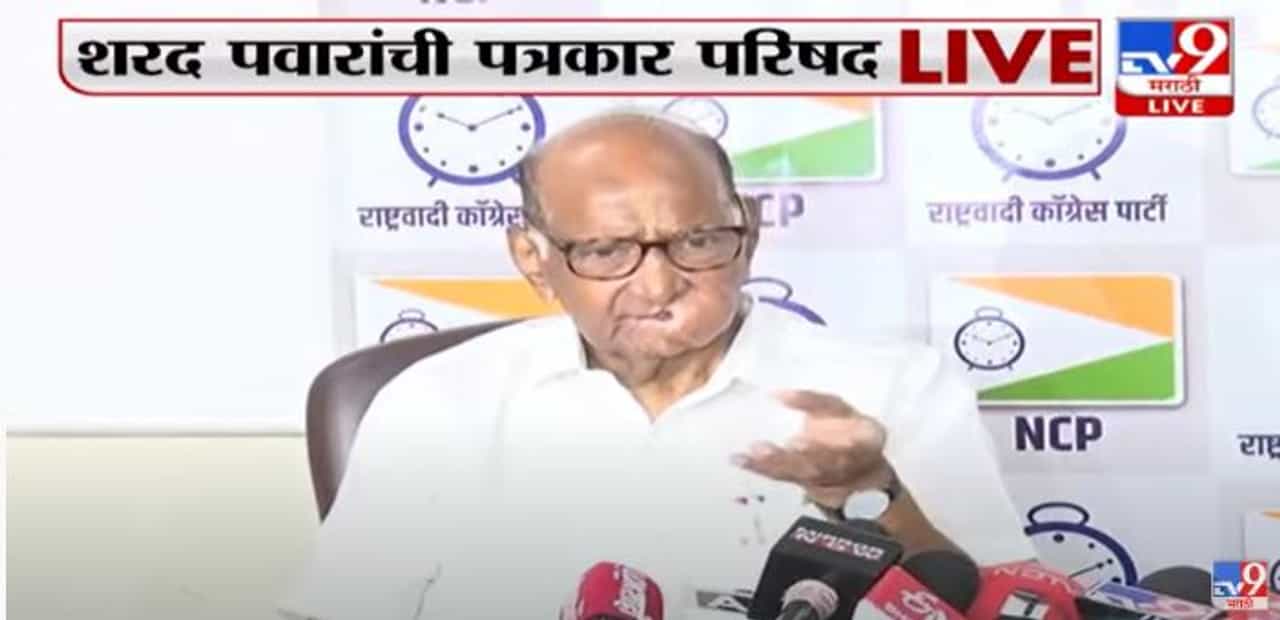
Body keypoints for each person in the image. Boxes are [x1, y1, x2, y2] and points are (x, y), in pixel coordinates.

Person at [277, 109, 1036, 620]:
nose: (659, 285)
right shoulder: (439, 401)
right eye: (608, 251)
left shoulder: (894, 387)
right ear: (533, 259)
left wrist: (872, 492)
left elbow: (993, 600)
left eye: (698, 241)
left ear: (750, 232)